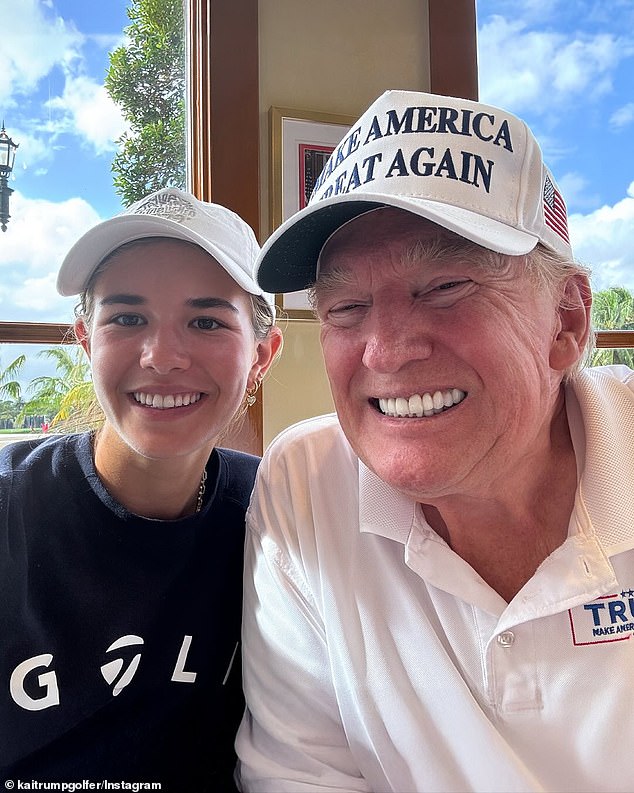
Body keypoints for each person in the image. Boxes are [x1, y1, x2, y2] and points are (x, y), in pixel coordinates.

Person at [235, 90, 634, 792]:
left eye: (445, 286)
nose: (384, 351)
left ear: (567, 320)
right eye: (346, 307)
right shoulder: (305, 484)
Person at [0, 187, 282, 791]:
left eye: (206, 321)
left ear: (262, 354)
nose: (162, 357)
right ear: (84, 339)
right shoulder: (10, 509)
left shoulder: (279, 514)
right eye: (127, 318)